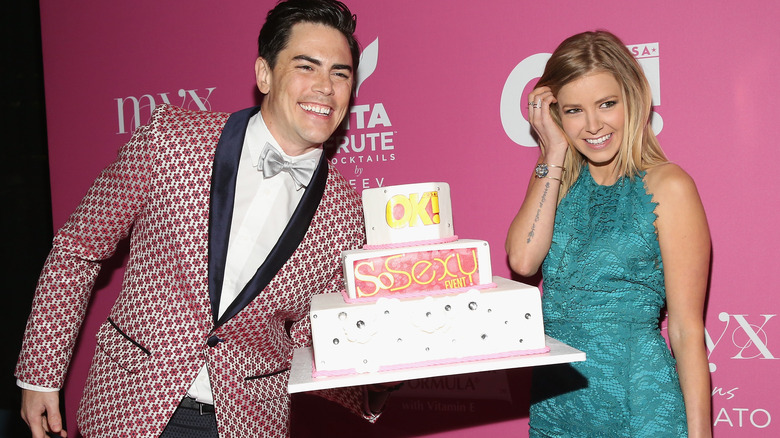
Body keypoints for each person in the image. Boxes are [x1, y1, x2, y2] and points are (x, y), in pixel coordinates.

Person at [16, 1, 396, 437]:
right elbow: (78, 248)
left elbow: (311, 339)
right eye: (306, 67)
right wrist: (40, 374)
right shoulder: (171, 139)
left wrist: (377, 382)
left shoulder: (346, 212)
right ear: (265, 74)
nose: (325, 87)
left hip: (245, 421)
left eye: (340, 73)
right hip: (133, 404)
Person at [506, 31, 712, 437]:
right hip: (557, 407)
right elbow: (522, 260)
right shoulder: (556, 180)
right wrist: (552, 153)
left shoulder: (669, 186)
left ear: (632, 99)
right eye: (574, 110)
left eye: (607, 104)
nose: (594, 125)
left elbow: (687, 331)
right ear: (555, 114)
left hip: (640, 408)